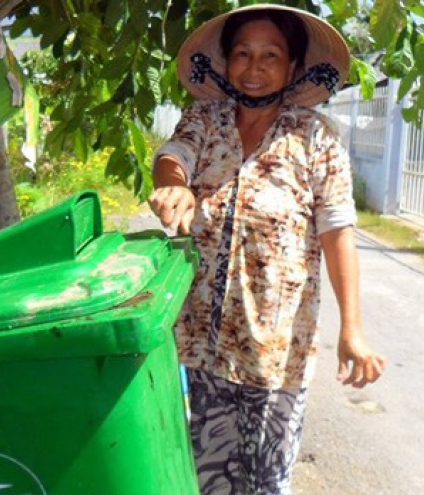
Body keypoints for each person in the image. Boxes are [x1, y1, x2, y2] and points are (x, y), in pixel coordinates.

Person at [148, 5, 386, 494]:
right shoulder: (205, 119)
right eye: (243, 54)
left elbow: (338, 231)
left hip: (274, 355)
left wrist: (353, 329)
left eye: (270, 56)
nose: (254, 69)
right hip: (195, 348)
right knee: (196, 477)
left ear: (294, 66)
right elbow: (174, 157)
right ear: (227, 61)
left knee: (264, 483)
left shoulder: (316, 137)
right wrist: (175, 186)